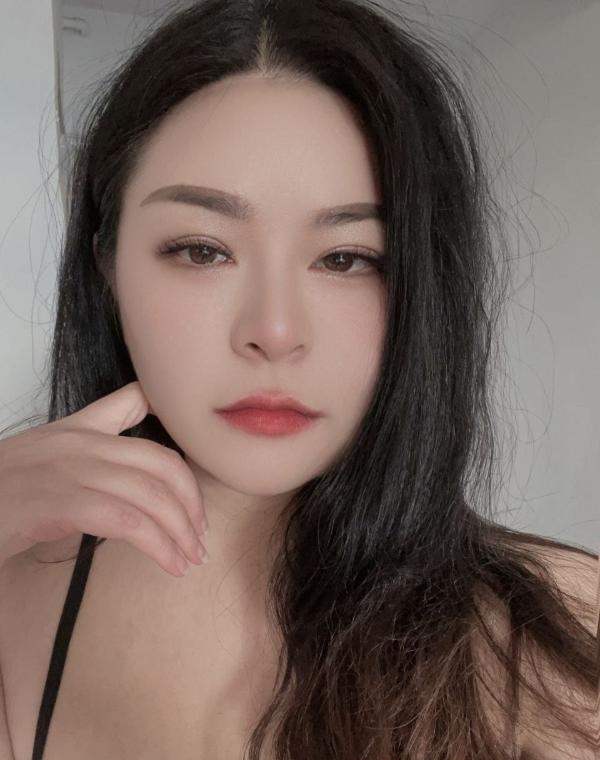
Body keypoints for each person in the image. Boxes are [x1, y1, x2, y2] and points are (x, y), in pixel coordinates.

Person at [0, 1, 597, 758]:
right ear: (108, 268)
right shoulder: (16, 597)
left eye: (346, 258)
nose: (276, 331)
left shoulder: (557, 638)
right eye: (201, 250)